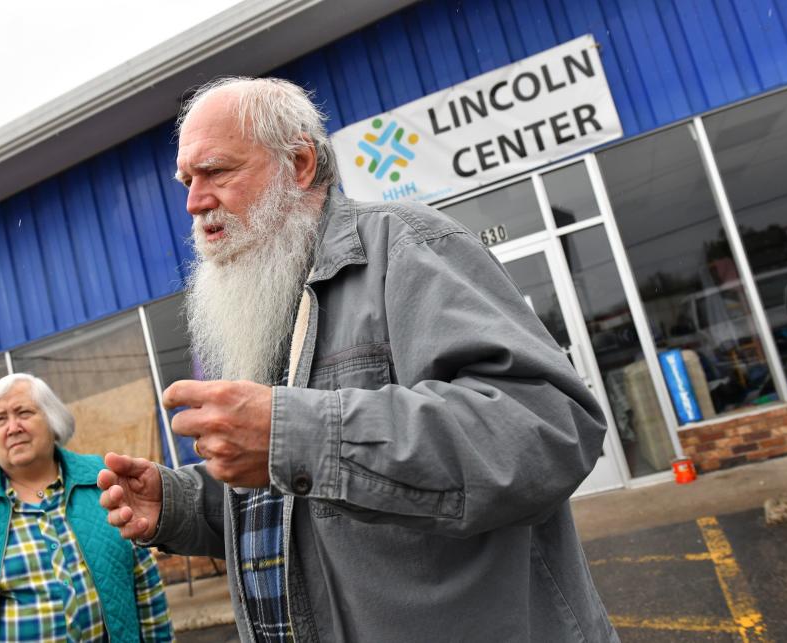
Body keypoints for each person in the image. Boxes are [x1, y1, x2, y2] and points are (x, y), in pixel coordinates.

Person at [98, 76, 617, 642]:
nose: (195, 201)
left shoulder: (407, 246)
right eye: (187, 181)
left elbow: (544, 428)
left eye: (217, 172)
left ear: (298, 163)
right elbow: (295, 502)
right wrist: (181, 503)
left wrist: (294, 435)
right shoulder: (262, 299)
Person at [0, 373, 174, 642]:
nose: (14, 427)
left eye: (24, 413)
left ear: (52, 420)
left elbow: (143, 578)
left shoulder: (99, 480)